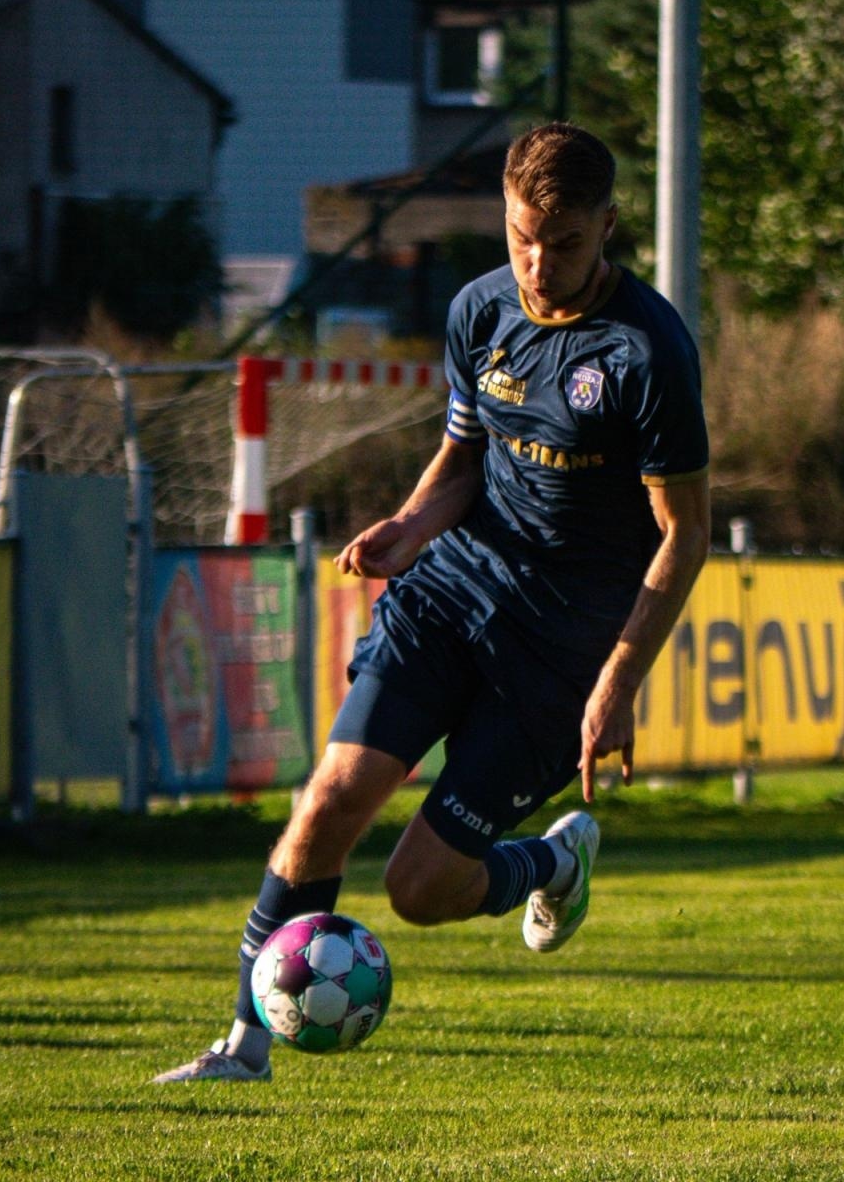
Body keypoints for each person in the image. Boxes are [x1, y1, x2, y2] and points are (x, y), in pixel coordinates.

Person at [154, 123, 711, 1083]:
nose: (537, 263)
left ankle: (550, 865)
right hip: (451, 593)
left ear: (609, 226)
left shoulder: (648, 351)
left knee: (419, 890)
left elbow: (685, 534)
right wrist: (409, 530)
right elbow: (462, 461)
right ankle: (243, 1045)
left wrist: (619, 682)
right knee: (327, 801)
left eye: (565, 243)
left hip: (559, 647)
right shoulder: (478, 311)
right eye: (520, 236)